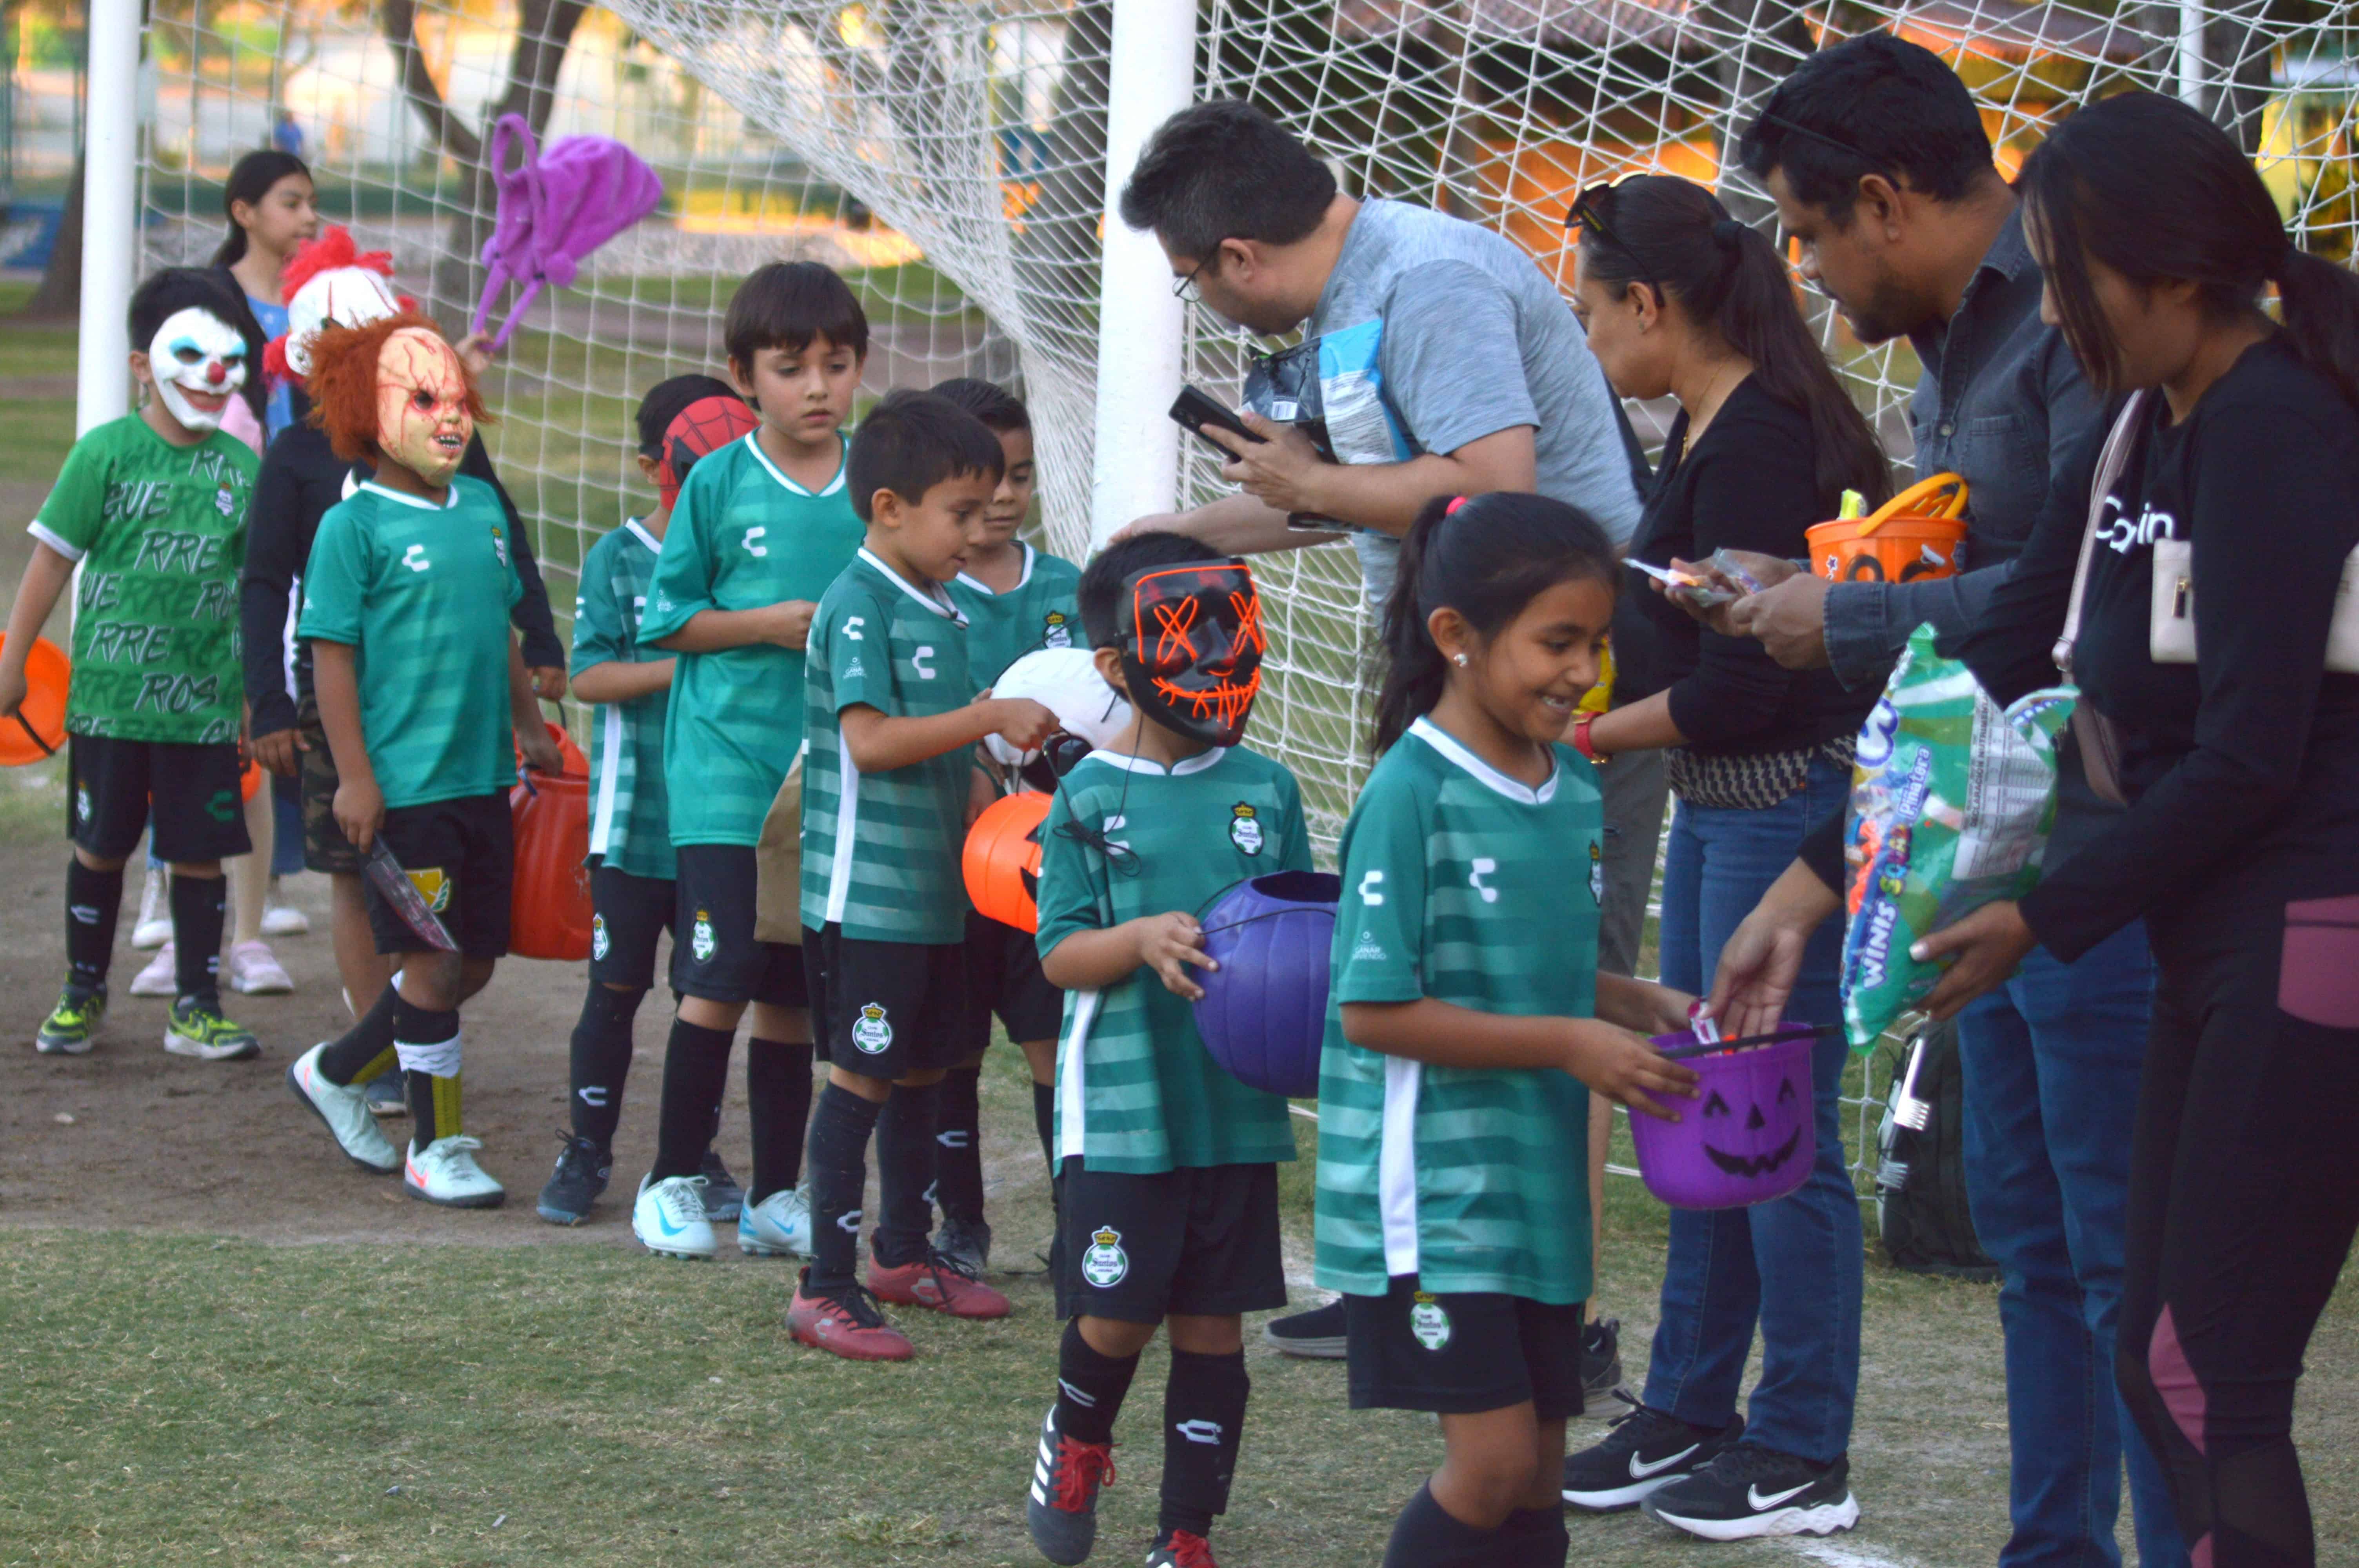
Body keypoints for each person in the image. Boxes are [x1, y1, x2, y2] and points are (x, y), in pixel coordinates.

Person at [1708, 36, 2185, 1565]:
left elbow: (2067, 606)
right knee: (2033, 1247)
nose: (1807, 271)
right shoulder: (1951, 349)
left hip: (2105, 862)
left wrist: (1833, 626)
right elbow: (1973, 602)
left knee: (2122, 1257)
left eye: (1805, 228)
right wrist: (1837, 589)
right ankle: (2053, 1546)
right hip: (1985, 855)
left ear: (1885, 200)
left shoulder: (2067, 310)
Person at [1114, 93, 1666, 1364]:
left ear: (1237, 258)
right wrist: (1178, 537)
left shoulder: (1427, 282)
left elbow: (1495, 484)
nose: (1207, 302)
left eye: (1195, 279)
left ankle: (1558, 1316)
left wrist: (1308, 483)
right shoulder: (1350, 306)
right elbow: (1365, 502)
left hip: (1553, 687)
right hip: (1445, 691)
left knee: (1541, 973)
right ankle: (1414, 1284)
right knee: (1424, 970)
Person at [1899, 93, 2359, 1568]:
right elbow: (2039, 631)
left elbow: (2248, 755)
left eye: (2068, 277)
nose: (2055, 315)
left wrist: (2042, 913)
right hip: (2214, 938)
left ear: (2168, 269)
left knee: (2203, 1377)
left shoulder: (2275, 422)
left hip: (2306, 932)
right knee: (2160, 1367)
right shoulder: (2153, 423)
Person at [1549, 176, 1886, 1537]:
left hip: (1775, 810)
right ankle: (1689, 1403)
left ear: (1649, 305)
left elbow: (1749, 685)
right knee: (1692, 1112)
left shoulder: (1757, 440)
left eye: (1588, 309)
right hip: (1719, 808)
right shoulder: (1711, 425)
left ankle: (1801, 1441)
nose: (1584, 337)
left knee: (1772, 1132)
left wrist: (1579, 730)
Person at [1317, 492, 1699, 1568]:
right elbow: (1375, 1009)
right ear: (1456, 637)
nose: (1583, 671)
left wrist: (1635, 1001)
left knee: (1537, 1479)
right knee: (1486, 1470)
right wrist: (1575, 1046)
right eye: (1557, 643)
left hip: (1536, 1189)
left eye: (1600, 642)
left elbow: (1541, 969)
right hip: (1439, 1197)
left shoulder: (1571, 785)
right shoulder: (1411, 793)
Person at [1018, 530, 1305, 1568]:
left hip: (1235, 1108)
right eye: (1184, 643)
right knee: (1120, 1316)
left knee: (1214, 1330)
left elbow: (1297, 929)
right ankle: (1079, 1435)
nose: (1212, 663)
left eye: (1227, 637)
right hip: (1127, 1115)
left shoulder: (1268, 789)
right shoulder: (1091, 797)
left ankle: (1186, 1534)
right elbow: (1058, 956)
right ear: (1118, 663)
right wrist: (1139, 940)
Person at [243, 227, 571, 1120]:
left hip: (466, 740)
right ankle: (416, 1105)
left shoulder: (462, 481)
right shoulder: (309, 472)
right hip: (365, 719)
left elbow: (497, 584)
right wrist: (282, 711)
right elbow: (279, 595)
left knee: (466, 950)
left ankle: (358, 1053)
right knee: (370, 890)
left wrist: (534, 683)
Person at [789, 391, 1052, 1360]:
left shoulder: (938, 605)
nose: (977, 527)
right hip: (869, 903)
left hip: (940, 900)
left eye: (987, 505)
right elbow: (869, 744)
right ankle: (822, 1284)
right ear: (890, 506)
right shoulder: (856, 603)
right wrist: (986, 719)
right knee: (861, 1075)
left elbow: (944, 746)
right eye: (958, 510)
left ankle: (903, 1253)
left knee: (931, 1069)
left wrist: (995, 756)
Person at [625, 261, 871, 1260]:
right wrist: (764, 624)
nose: (817, 387)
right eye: (790, 368)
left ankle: (776, 1194)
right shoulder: (719, 482)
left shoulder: (877, 476)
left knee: (788, 986)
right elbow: (667, 620)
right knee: (718, 967)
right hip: (726, 768)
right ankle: (671, 1176)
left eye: (838, 364)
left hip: (825, 771)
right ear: (744, 378)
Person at [0, 268, 264, 1062]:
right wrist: (13, 661)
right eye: (191, 352)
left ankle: (197, 1004)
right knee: (100, 844)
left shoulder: (241, 471)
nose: (213, 375)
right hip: (109, 705)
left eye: (230, 357)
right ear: (142, 363)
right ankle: (82, 993)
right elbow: (50, 562)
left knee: (198, 852)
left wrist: (257, 698)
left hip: (204, 709)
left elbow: (257, 595)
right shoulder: (103, 454)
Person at [536, 375, 758, 1226]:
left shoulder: (754, 557)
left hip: (727, 816)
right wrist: (695, 658)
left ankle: (691, 1152)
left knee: (707, 992)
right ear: (654, 465)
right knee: (616, 986)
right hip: (636, 818)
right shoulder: (616, 556)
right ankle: (586, 1146)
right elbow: (588, 675)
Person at [933, 374, 1078, 1272]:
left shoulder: (1067, 586)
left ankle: (1081, 1224)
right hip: (946, 861)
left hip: (1044, 863)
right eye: (983, 485)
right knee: (948, 1049)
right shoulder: (917, 592)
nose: (1004, 500)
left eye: (1019, 478)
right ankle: (961, 1225)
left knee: (1050, 1044)